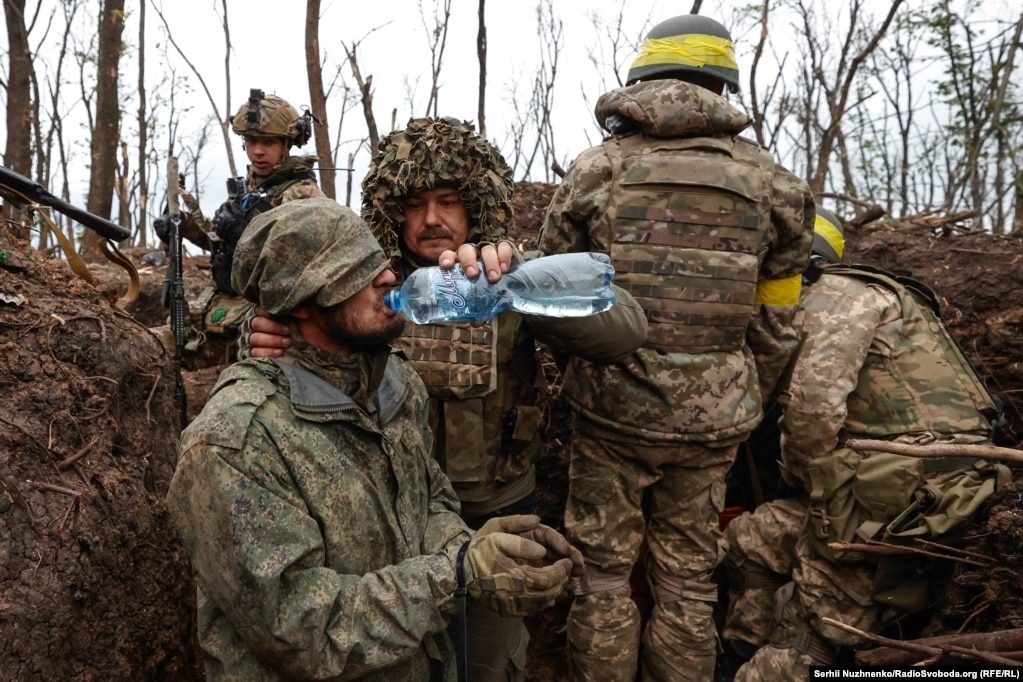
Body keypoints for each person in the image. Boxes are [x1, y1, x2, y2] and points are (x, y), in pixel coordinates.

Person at [244, 116, 649, 682]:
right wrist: (259, 334)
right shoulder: (362, 293)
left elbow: (626, 329)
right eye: (414, 205)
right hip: (392, 523)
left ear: (476, 203)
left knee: (486, 666)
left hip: (499, 511)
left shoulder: (506, 277)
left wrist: (520, 283)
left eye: (449, 201)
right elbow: (285, 345)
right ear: (391, 209)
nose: (431, 220)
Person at [164, 196, 584, 681]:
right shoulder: (237, 442)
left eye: (378, 263)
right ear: (298, 304)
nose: (387, 278)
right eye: (353, 273)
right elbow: (302, 631)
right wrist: (458, 576)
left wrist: (473, 549)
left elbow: (428, 503)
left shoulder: (393, 382)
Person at [536, 14, 815, 681]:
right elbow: (776, 324)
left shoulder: (597, 170)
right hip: (713, 421)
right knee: (690, 583)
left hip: (609, 411)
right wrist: (747, 393)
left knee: (601, 578)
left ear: (642, 76)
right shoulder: (776, 185)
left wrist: (575, 373)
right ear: (721, 83)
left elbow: (554, 295)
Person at [721, 207, 1011, 680]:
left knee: (815, 628)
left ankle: (786, 657)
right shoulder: (861, 294)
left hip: (902, 490)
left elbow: (814, 412)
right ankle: (739, 648)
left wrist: (801, 478)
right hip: (897, 478)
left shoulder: (837, 299)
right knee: (750, 540)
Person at [153, 88, 324, 369]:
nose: (258, 150)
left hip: (263, 325)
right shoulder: (248, 189)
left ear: (286, 144)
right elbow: (220, 245)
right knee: (153, 346)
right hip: (219, 310)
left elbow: (308, 264)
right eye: (252, 140)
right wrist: (183, 227)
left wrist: (243, 234)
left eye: (268, 142)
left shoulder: (302, 193)